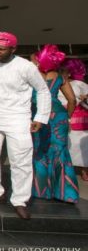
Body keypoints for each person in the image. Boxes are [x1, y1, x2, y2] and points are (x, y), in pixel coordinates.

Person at [0, 32, 51, 220]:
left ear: (13, 49)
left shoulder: (25, 67)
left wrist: (40, 117)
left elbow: (43, 90)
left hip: (18, 118)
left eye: (1, 49)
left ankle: (19, 200)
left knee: (20, 160)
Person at [31, 45, 78, 203]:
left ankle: (41, 191)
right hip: (59, 117)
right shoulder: (59, 77)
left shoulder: (32, 75)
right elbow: (72, 100)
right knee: (60, 152)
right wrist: (68, 117)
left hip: (37, 117)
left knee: (40, 151)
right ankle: (66, 194)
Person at [60, 59, 88, 181]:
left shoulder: (79, 84)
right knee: (67, 143)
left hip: (79, 117)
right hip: (61, 115)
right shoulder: (55, 84)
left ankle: (85, 169)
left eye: (63, 72)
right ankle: (66, 169)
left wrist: (85, 98)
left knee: (83, 145)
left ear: (69, 73)